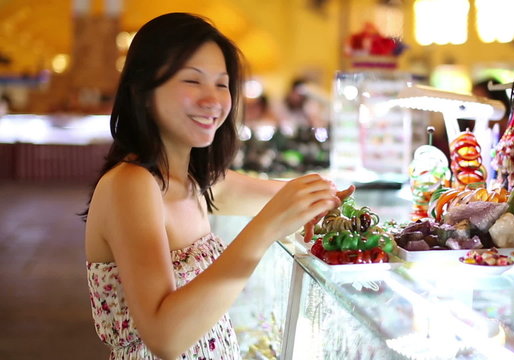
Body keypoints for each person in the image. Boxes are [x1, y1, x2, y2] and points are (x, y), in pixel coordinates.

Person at [81, 13, 346, 359]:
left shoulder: (197, 181)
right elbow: (165, 336)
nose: (213, 100)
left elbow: (293, 196)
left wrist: (339, 199)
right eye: (192, 81)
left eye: (222, 85)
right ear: (142, 91)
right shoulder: (129, 185)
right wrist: (264, 230)